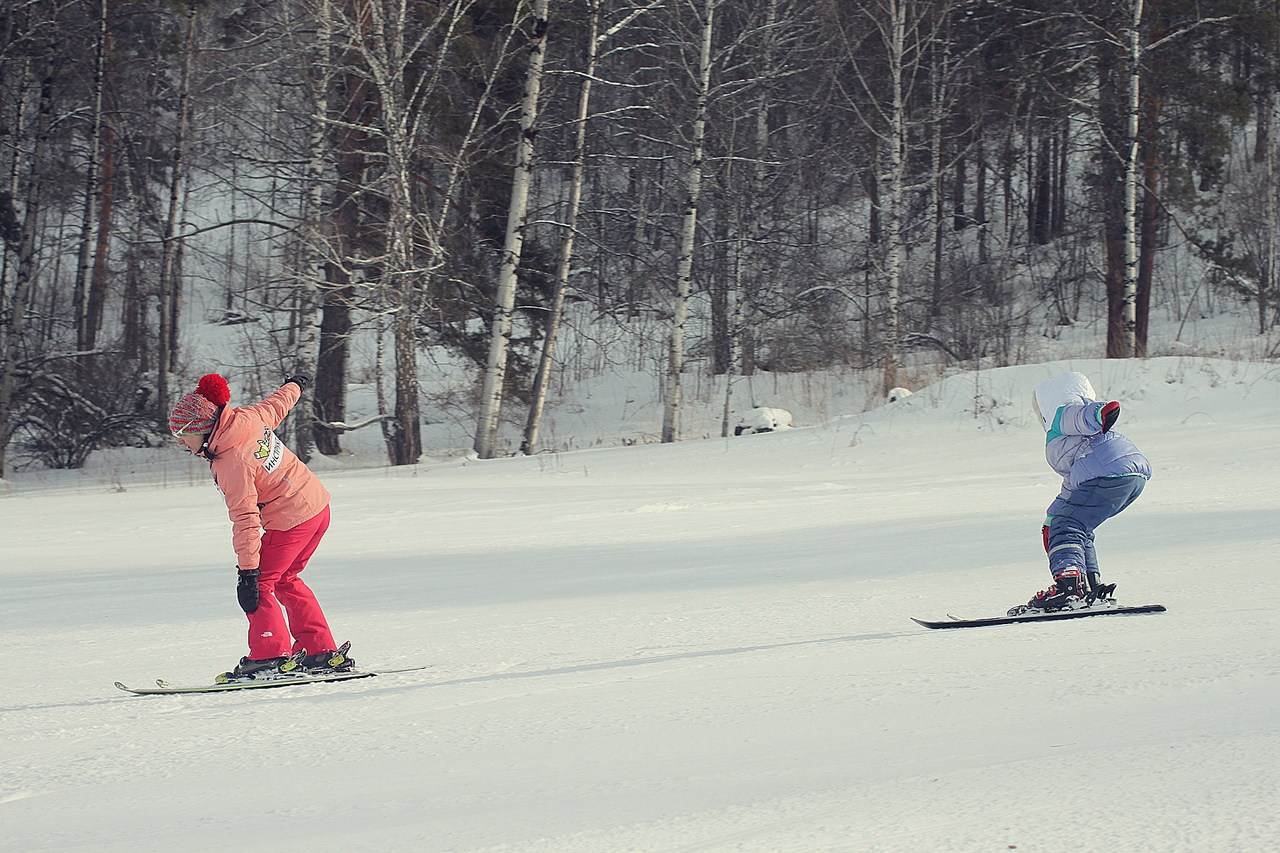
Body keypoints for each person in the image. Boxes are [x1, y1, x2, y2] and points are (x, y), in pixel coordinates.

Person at [169, 373, 353, 680]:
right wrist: (295, 385)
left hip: (290, 520)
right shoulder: (246, 420)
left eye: (182, 435)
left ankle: (269, 657)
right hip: (317, 508)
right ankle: (318, 650)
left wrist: (247, 573)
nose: (180, 443)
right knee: (287, 578)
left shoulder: (232, 461)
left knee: (262, 585)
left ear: (201, 429)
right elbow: (277, 405)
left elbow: (245, 519)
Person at [1021, 371, 1151, 613]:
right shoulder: (1073, 441)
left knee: (1068, 527)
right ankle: (1090, 588)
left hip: (1108, 474)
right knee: (1077, 527)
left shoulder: (1065, 413)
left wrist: (1101, 413)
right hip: (1126, 476)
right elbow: (1075, 480)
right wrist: (1053, 517)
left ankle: (1068, 588)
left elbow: (1083, 416)